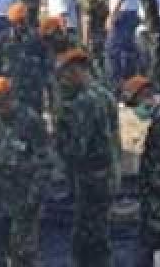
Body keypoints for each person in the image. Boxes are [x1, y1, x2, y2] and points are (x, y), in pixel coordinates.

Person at [53, 49, 117, 267]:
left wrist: (60, 137)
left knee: (87, 241)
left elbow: (77, 148)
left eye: (67, 75)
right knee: (100, 232)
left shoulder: (84, 102)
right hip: (107, 173)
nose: (65, 81)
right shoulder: (105, 95)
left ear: (77, 70)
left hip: (91, 177)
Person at [0, 76, 50, 267]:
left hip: (25, 200)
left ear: (8, 98)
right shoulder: (1, 123)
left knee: (23, 254)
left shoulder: (29, 122)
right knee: (8, 252)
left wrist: (33, 199)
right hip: (4, 200)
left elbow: (44, 163)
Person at [121, 76, 160, 266]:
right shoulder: (158, 119)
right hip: (154, 198)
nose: (136, 110)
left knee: (158, 243)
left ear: (146, 95)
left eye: (136, 103)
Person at [0, 2, 48, 113]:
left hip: (33, 90)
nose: (20, 25)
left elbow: (45, 60)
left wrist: (44, 83)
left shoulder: (36, 38)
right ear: (11, 22)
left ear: (27, 19)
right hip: (12, 90)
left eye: (22, 21)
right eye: (16, 22)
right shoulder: (2, 39)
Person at [106, 0, 141, 87]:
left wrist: (111, 16)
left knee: (112, 50)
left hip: (123, 16)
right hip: (129, 15)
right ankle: (130, 81)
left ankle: (117, 85)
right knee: (128, 50)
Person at [80, 0, 110, 72]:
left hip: (94, 32)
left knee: (96, 58)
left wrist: (85, 40)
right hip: (105, 31)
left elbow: (86, 20)